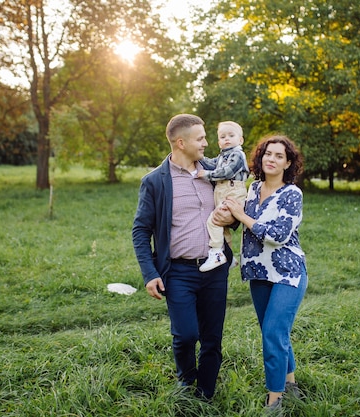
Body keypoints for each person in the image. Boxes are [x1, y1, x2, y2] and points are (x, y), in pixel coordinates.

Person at [131, 114, 234, 400]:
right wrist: (150, 273)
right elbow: (140, 230)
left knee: (212, 337)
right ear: (181, 142)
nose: (206, 143)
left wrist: (233, 218)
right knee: (186, 334)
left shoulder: (215, 171)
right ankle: (186, 381)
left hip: (216, 268)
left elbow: (233, 208)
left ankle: (206, 391)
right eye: (200, 138)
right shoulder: (155, 181)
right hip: (178, 272)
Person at [223, 134, 307, 412]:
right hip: (258, 271)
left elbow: (278, 234)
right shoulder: (252, 187)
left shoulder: (292, 194)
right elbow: (238, 220)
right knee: (275, 333)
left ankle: (275, 399)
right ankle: (291, 383)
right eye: (268, 154)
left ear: (288, 163)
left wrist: (243, 216)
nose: (272, 159)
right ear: (261, 157)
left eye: (279, 156)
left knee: (272, 332)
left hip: (288, 273)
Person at [197, 121, 249, 272]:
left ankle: (216, 253)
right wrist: (198, 156)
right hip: (222, 191)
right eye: (222, 136)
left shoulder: (238, 155)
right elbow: (211, 162)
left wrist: (207, 175)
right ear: (219, 142)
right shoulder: (222, 156)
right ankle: (229, 256)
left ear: (240, 140)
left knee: (214, 221)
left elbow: (227, 172)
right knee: (221, 226)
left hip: (233, 191)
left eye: (231, 135)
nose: (227, 139)